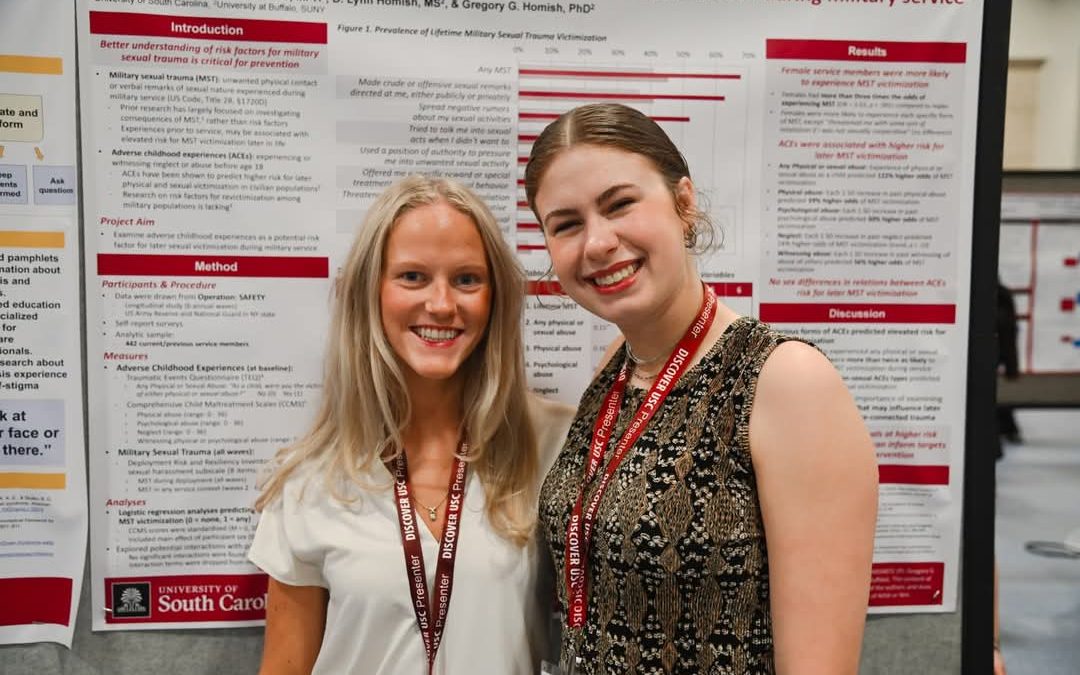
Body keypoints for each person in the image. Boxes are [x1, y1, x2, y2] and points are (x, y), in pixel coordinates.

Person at [524, 103, 879, 674]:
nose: (597, 242)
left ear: (683, 203)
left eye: (619, 204)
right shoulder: (616, 370)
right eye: (566, 224)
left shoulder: (783, 380)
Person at [249, 175, 573, 674]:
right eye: (412, 277)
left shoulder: (555, 443)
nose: (442, 304)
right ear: (370, 292)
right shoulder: (310, 478)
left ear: (495, 299)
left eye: (467, 279)